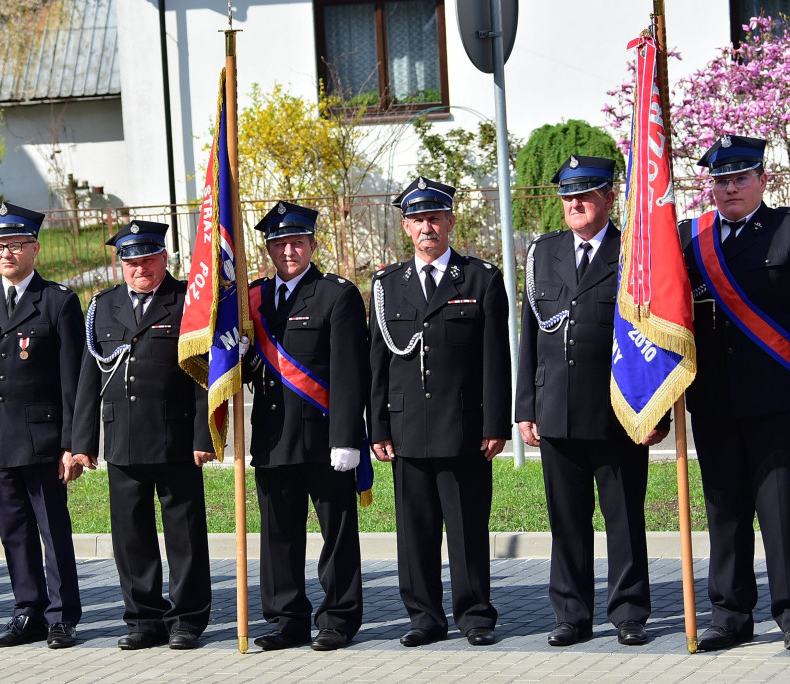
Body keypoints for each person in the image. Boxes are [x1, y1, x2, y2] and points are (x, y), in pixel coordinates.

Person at [514, 156, 668, 648]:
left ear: (608, 196)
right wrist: (524, 407)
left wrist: (657, 409)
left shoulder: (635, 253)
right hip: (555, 407)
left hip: (619, 411)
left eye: (585, 193)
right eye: (567, 195)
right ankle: (571, 615)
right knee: (567, 521)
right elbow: (530, 334)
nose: (574, 203)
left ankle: (629, 612)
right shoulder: (543, 253)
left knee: (624, 517)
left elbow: (656, 337)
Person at [369, 176, 509, 647]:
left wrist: (495, 423)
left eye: (435, 218)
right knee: (415, 532)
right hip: (408, 428)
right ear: (406, 227)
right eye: (417, 220)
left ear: (450, 221)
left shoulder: (480, 278)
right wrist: (379, 426)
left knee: (468, 528)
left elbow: (495, 359)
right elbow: (378, 364)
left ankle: (475, 617)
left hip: (465, 426)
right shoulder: (387, 285)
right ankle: (424, 618)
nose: (427, 227)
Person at [72, 221, 214, 650]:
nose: (140, 269)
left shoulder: (188, 300)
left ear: (164, 259)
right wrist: (82, 444)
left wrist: (203, 436)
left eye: (148, 260)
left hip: (175, 439)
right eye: (131, 262)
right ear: (121, 265)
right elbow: (87, 379)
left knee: (185, 534)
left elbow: (204, 376)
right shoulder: (103, 306)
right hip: (123, 438)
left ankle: (187, 619)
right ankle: (143, 619)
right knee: (130, 536)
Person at [679, 135, 790, 651]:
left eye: (740, 178)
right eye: (720, 181)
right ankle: (730, 614)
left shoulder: (787, 229)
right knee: (723, 511)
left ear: (762, 180)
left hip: (776, 400)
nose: (729, 189)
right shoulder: (689, 238)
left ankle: (789, 613)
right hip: (714, 401)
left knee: (781, 512)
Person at [245, 201, 368, 651]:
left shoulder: (337, 294)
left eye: (297, 242)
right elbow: (243, 373)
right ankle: (285, 618)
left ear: (313, 245)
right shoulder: (252, 299)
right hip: (273, 438)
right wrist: (235, 353)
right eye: (279, 243)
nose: (289, 250)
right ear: (269, 249)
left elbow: (351, 373)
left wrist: (346, 439)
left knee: (335, 531)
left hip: (322, 438)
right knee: (278, 533)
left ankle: (338, 617)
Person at [0, 202, 84, 650]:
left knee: (53, 530)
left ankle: (61, 615)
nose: (6, 253)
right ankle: (26, 611)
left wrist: (73, 444)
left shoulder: (57, 301)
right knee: (13, 531)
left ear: (34, 247)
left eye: (14, 245)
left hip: (43, 440)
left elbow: (73, 383)